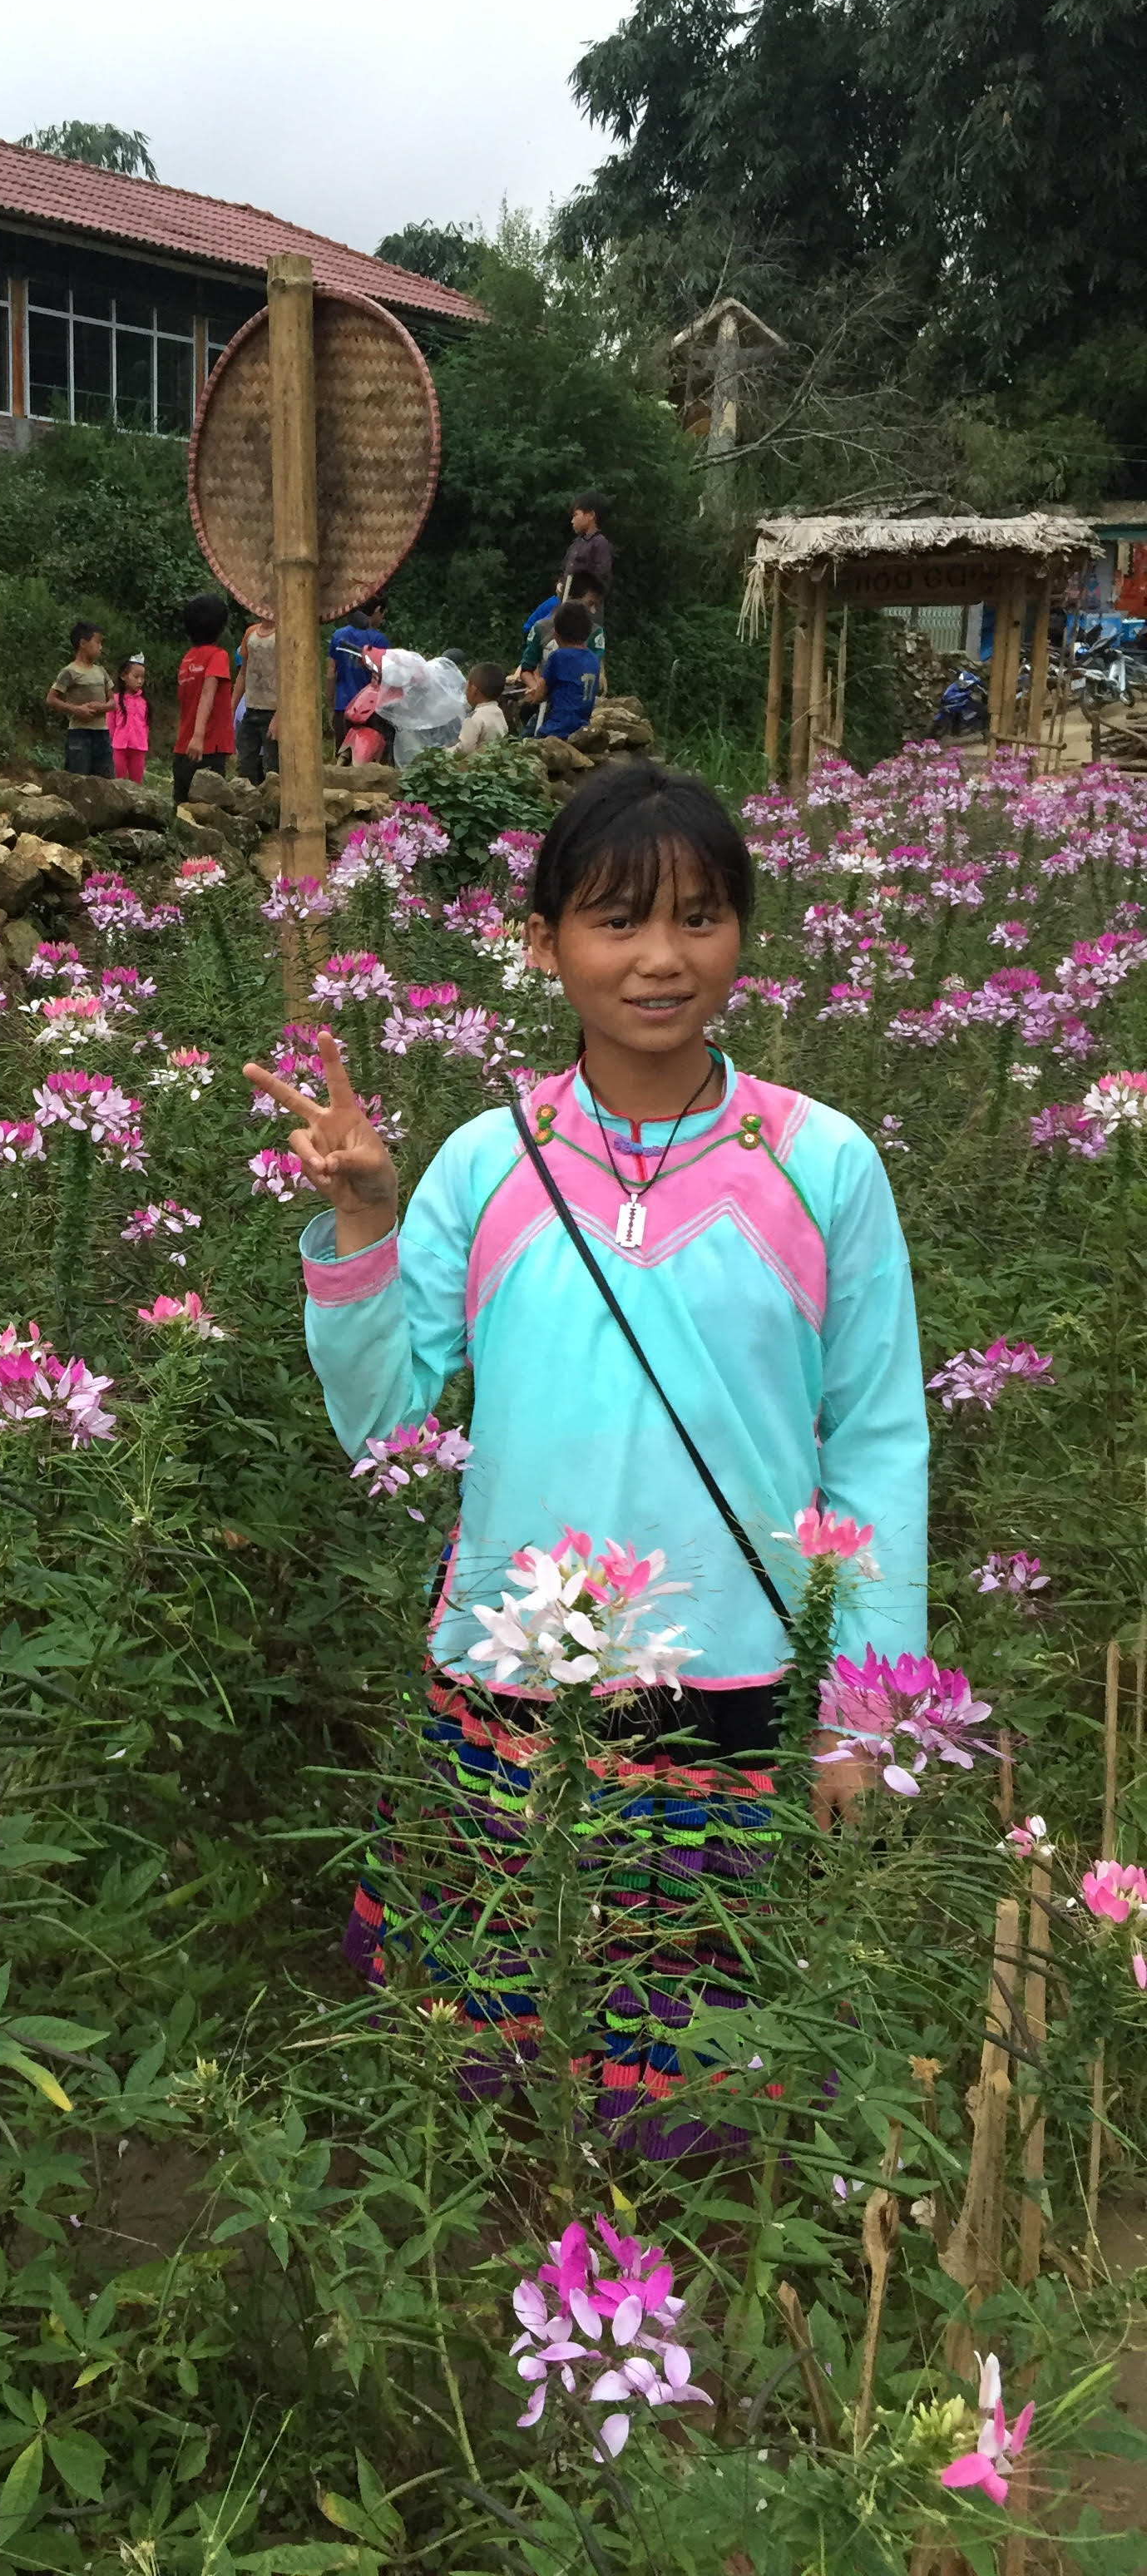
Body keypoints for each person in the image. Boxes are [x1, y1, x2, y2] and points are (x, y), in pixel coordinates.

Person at [245, 762, 927, 2151]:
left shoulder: (823, 1161)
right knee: (497, 2042)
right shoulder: (485, 1160)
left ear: (744, 932)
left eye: (700, 915)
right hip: (517, 1669)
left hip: (734, 1668)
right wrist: (365, 1222)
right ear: (540, 939)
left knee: (705, 2083)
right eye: (615, 920)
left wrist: (861, 1707)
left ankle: (668, 2272)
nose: (662, 957)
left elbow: (873, 1438)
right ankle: (521, 2248)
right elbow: (384, 1417)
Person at [173, 592, 236, 805]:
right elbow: (208, 693)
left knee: (182, 808)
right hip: (207, 747)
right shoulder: (218, 656)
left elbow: (185, 699)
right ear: (220, 627)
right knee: (209, 812)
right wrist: (199, 735)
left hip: (183, 747)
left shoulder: (187, 658)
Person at [520, 600, 602, 742]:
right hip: (581, 726)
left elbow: (542, 692)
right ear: (588, 632)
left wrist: (533, 698)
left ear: (556, 634)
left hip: (556, 727)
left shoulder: (557, 657)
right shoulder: (594, 660)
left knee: (523, 739)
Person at [47, 621, 113, 776]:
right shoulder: (69, 672)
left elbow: (113, 702)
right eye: (97, 642)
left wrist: (101, 707)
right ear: (83, 643)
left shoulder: (101, 671)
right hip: (79, 734)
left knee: (105, 780)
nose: (100, 647)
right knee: (78, 777)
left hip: (102, 733)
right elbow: (51, 699)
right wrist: (76, 709)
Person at [328, 597, 388, 748]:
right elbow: (386, 678)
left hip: (343, 706)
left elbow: (330, 674)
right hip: (371, 711)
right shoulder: (380, 641)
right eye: (382, 614)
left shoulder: (338, 636)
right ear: (376, 610)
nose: (382, 619)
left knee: (342, 758)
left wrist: (331, 707)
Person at [235, 614, 279, 784]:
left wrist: (279, 716)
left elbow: (289, 677)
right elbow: (244, 672)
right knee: (245, 764)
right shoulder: (251, 633)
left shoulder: (282, 634)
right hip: (251, 707)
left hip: (272, 710)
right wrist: (232, 705)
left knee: (272, 769)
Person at [562, 492, 613, 609]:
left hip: (586, 607)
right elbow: (563, 570)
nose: (572, 521)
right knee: (539, 624)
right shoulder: (575, 545)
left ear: (591, 515)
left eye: (576, 515)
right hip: (565, 602)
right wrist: (560, 584)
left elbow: (602, 577)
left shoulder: (600, 543)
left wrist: (588, 600)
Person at [452, 662, 511, 756]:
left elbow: (464, 749)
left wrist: (444, 752)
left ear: (474, 690)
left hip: (477, 765)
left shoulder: (474, 718)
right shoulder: (499, 713)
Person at [108, 655, 150, 784]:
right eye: (136, 677)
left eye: (142, 678)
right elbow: (110, 724)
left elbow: (146, 726)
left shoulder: (144, 702)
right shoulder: (115, 700)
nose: (140, 681)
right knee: (118, 782)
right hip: (119, 747)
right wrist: (113, 740)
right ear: (123, 676)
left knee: (137, 783)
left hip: (139, 748)